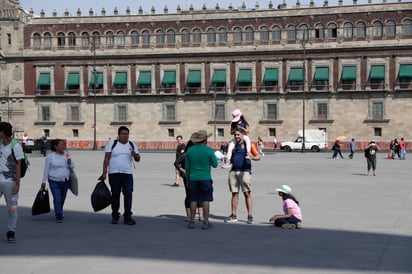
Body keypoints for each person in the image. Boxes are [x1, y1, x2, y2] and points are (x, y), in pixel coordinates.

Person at [100, 126, 141, 225]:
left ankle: (127, 216)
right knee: (115, 195)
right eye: (123, 134)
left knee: (128, 194)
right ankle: (115, 216)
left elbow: (138, 159)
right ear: (119, 135)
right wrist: (104, 173)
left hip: (127, 174)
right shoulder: (112, 144)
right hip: (114, 173)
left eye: (127, 134)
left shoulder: (132, 145)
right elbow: (106, 159)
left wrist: (134, 154)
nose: (125, 136)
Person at [224, 127, 260, 225]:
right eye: (235, 135)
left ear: (243, 135)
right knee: (234, 194)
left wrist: (252, 157)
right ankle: (233, 215)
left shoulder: (249, 144)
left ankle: (250, 215)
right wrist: (227, 160)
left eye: (238, 134)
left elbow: (258, 157)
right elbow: (230, 156)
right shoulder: (233, 144)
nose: (236, 136)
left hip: (245, 171)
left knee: (247, 193)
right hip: (233, 171)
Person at [185, 130, 218, 230]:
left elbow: (187, 166)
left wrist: (187, 178)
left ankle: (191, 221)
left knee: (193, 200)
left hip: (193, 178)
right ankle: (206, 222)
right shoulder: (208, 150)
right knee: (205, 200)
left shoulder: (190, 150)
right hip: (205, 178)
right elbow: (215, 164)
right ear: (205, 140)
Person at [0, 122, 23, 243]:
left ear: (3, 133)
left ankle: (11, 231)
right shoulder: (0, 143)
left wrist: (17, 183)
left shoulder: (16, 146)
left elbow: (19, 165)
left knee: (12, 208)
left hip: (10, 181)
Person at [41, 139, 74, 223]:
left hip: (65, 180)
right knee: (57, 198)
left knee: (62, 198)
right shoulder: (50, 157)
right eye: (61, 144)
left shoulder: (66, 155)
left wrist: (70, 162)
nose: (63, 146)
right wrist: (43, 181)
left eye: (63, 144)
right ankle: (58, 215)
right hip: (54, 180)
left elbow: (72, 166)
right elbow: (46, 169)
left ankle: (59, 210)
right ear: (56, 146)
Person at [174, 140, 203, 222]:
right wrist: (183, 170)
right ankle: (189, 215)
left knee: (199, 195)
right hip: (187, 177)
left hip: (197, 177)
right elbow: (176, 163)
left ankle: (200, 215)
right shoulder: (185, 155)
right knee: (189, 195)